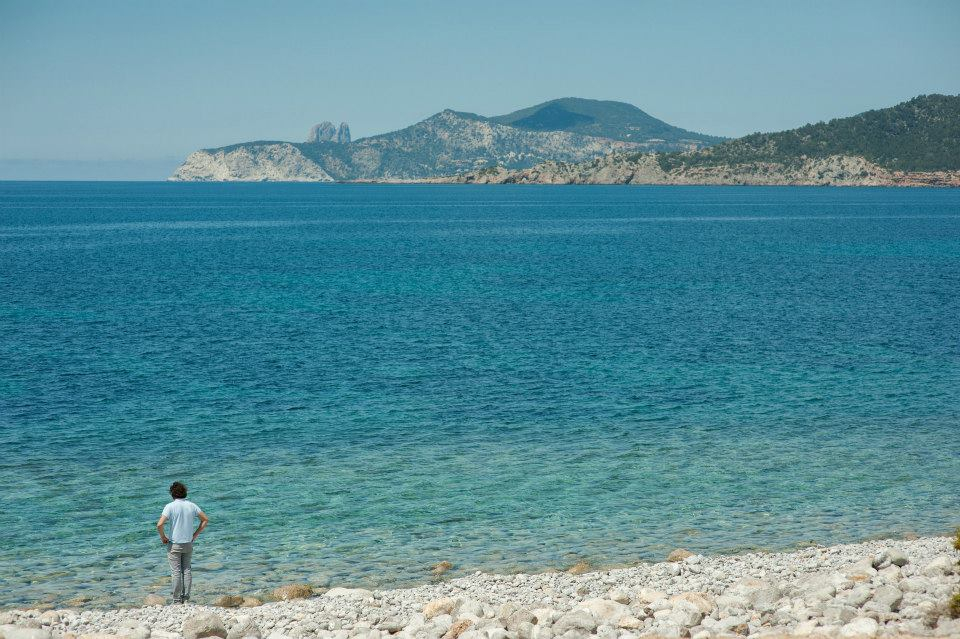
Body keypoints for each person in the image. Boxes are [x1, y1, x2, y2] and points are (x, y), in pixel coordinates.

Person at [156, 481, 209, 603]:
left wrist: (163, 537)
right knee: (187, 570)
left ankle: (176, 600)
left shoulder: (170, 506)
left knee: (176, 572)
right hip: (188, 543)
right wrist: (195, 535)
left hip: (174, 544)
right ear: (184, 493)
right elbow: (205, 520)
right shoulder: (192, 505)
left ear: (172, 494)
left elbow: (159, 524)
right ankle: (186, 598)